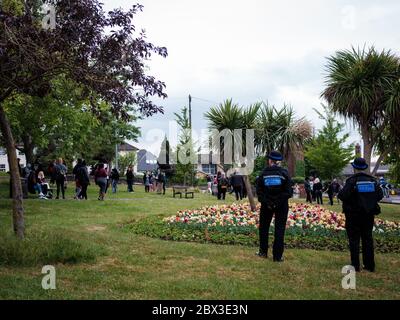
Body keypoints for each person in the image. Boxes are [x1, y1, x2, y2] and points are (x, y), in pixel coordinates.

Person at [338, 158, 383, 272]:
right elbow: (380, 195)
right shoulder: (373, 180)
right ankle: (369, 265)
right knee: (367, 238)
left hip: (353, 214)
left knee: (354, 239)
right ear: (365, 167)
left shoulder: (352, 181)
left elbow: (342, 195)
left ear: (354, 167)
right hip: (368, 214)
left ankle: (355, 265)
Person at [256, 151, 293, 262]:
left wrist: (268, 202)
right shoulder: (284, 173)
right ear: (279, 161)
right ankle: (277, 256)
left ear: (270, 160)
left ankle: (263, 252)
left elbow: (259, 191)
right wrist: (277, 202)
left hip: (266, 205)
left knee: (264, 228)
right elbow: (288, 192)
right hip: (281, 205)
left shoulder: (263, 173)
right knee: (279, 229)